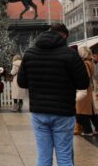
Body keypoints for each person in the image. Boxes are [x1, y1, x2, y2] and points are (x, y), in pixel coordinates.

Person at [17, 23, 89, 166]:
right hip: (63, 111)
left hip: (39, 111)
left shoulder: (30, 53)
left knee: (43, 157)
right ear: (64, 35)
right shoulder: (70, 54)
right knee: (64, 157)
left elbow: (22, 83)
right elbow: (83, 83)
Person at [75, 46, 98, 136]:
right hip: (89, 88)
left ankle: (87, 130)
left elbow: (84, 76)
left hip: (83, 88)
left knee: (81, 111)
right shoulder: (91, 62)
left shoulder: (84, 63)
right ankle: (96, 128)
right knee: (91, 111)